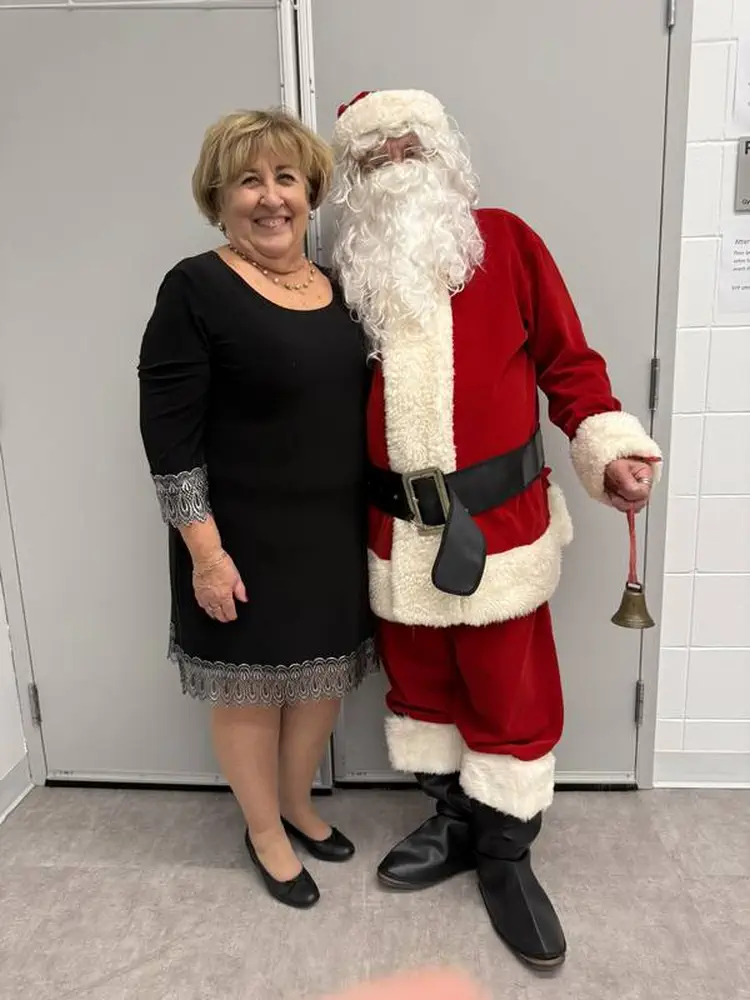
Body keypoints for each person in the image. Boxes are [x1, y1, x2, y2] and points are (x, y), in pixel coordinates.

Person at [330, 90, 661, 968]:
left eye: (408, 149)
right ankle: (453, 823)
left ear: (442, 157)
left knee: (509, 690)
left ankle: (507, 855)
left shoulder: (506, 243)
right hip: (396, 533)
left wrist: (609, 450)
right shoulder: (348, 273)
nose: (394, 168)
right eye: (373, 157)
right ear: (354, 180)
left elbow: (569, 364)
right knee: (421, 686)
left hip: (499, 527)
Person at [138, 109, 375, 910]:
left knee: (318, 684)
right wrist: (206, 555)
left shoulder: (338, 289)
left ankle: (298, 804)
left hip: (331, 533)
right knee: (251, 692)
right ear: (219, 199)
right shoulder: (194, 288)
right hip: (237, 536)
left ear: (310, 192)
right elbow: (169, 438)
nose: (271, 198)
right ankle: (264, 830)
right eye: (248, 181)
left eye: (285, 178)